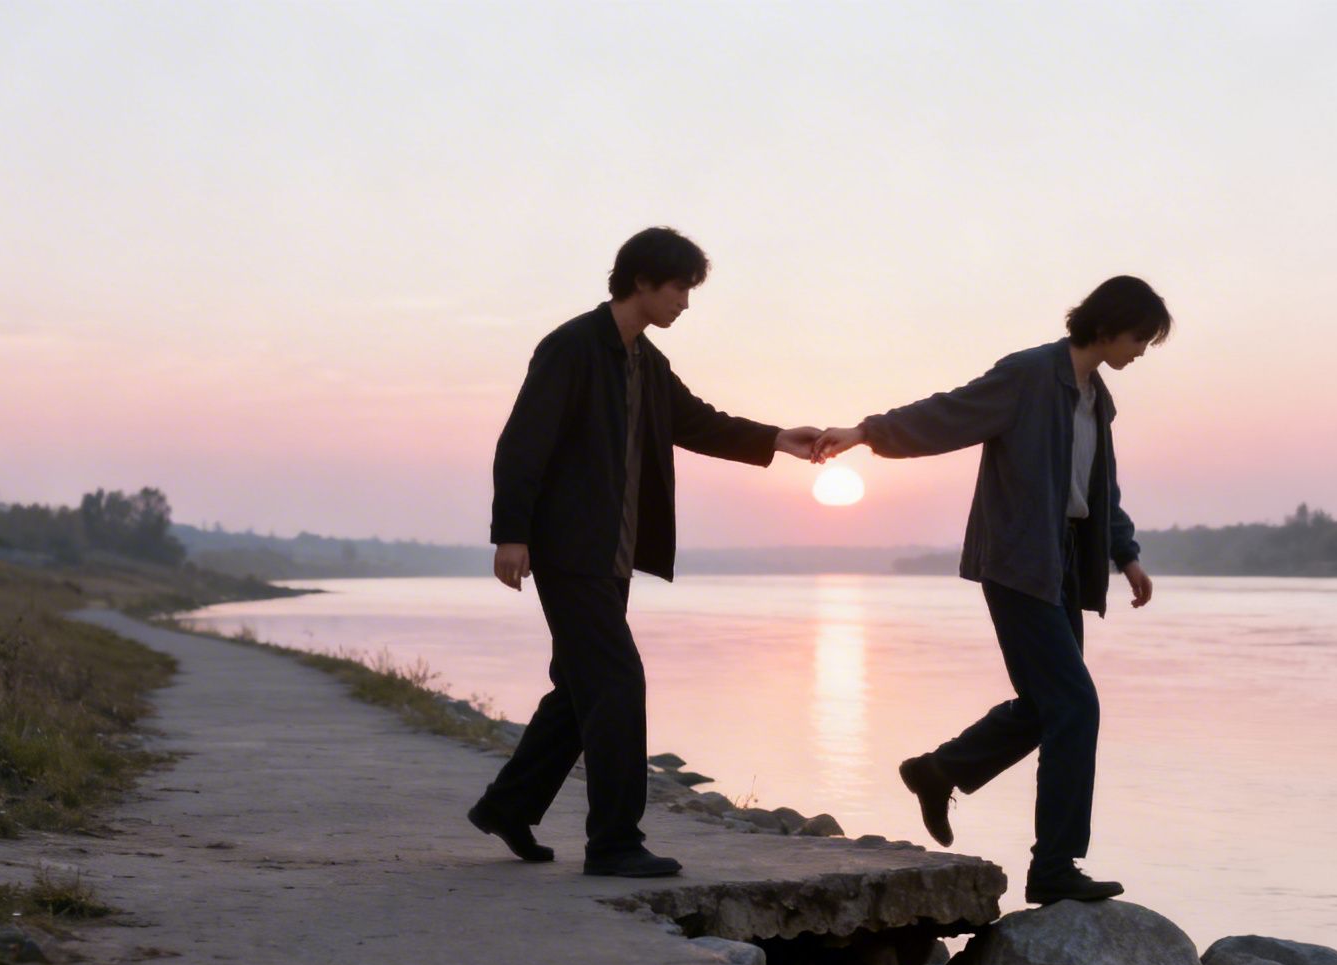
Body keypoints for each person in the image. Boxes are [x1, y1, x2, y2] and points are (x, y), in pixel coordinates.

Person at [472, 227, 820, 878]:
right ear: (641, 282)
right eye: (679, 287)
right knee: (617, 683)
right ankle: (614, 843)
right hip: (569, 548)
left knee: (580, 692)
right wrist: (510, 534)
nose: (686, 301)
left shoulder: (647, 363)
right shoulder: (573, 347)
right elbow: (522, 443)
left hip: (612, 554)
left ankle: (508, 805)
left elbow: (698, 422)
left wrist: (779, 438)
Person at [810, 276, 1169, 904]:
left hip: (1062, 564)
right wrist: (867, 432)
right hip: (1018, 564)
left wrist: (1126, 554)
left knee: (1045, 705)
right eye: (1140, 337)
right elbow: (948, 414)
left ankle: (937, 770)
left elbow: (1098, 487)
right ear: (1109, 326)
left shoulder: (1097, 399)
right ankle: (1053, 867)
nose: (1142, 351)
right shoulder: (1030, 375)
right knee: (1075, 707)